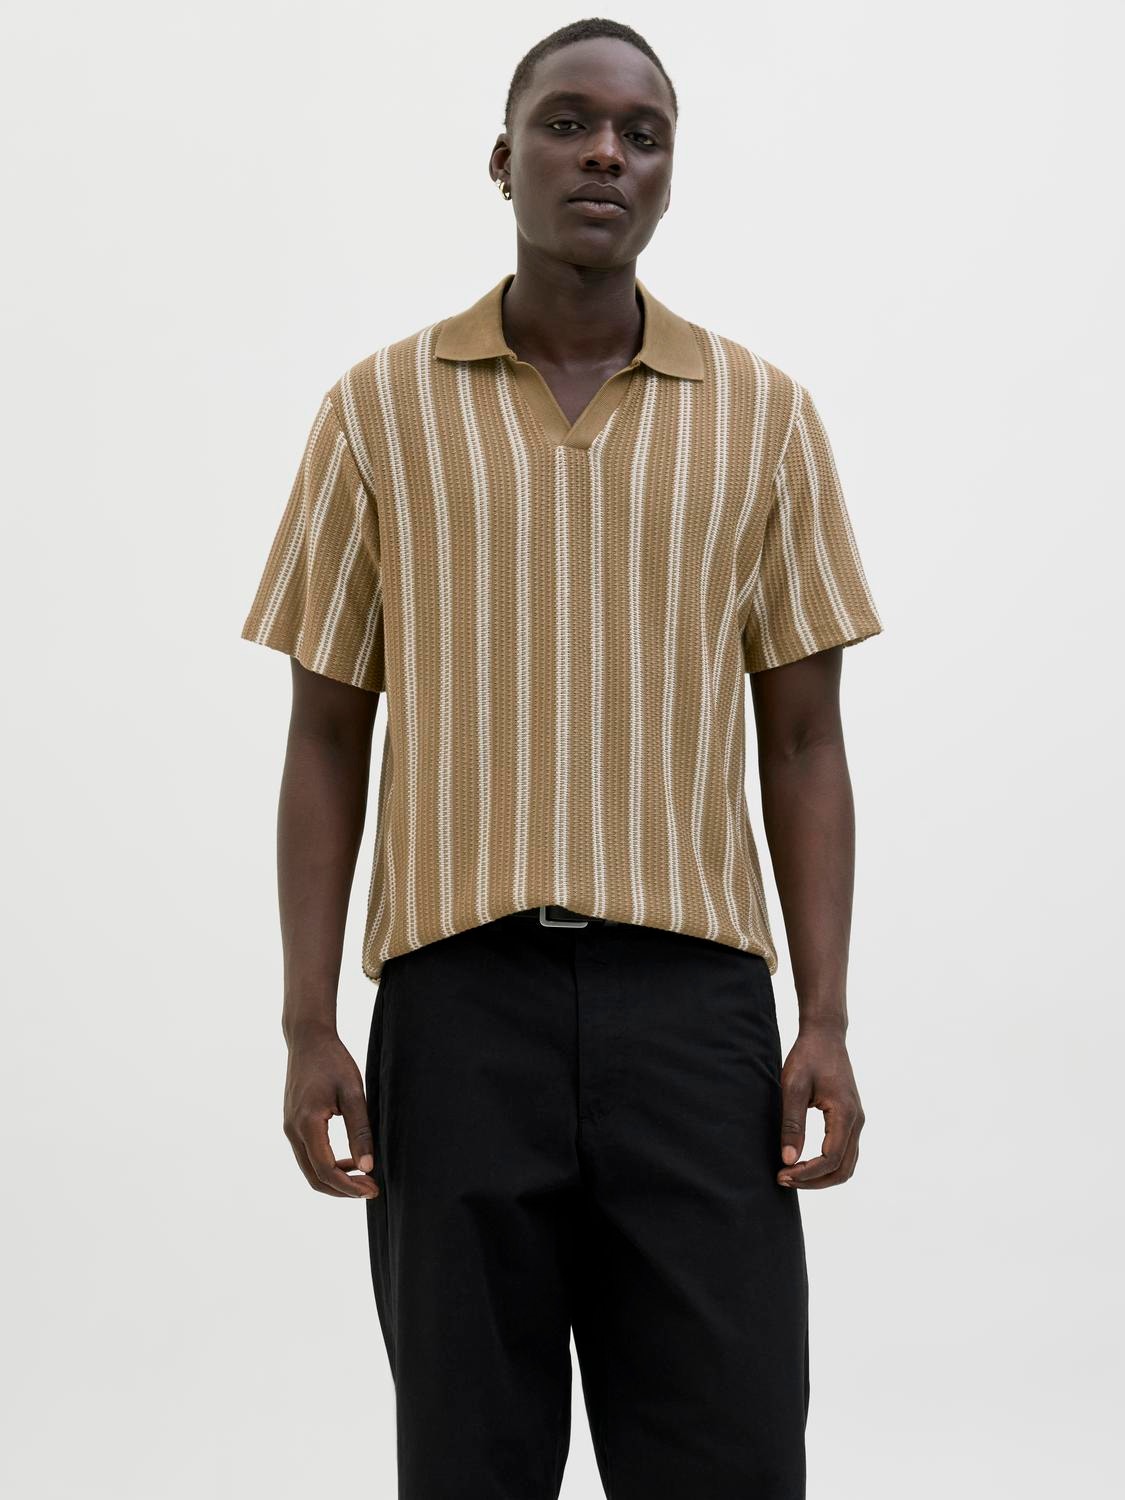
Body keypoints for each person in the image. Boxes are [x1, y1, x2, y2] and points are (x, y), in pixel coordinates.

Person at [239, 17, 883, 1499]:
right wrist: (305, 1023)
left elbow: (804, 739)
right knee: (469, 1459)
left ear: (668, 173)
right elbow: (326, 736)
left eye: (642, 135)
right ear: (502, 157)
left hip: (697, 1015)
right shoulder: (377, 411)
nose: (605, 153)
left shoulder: (764, 418)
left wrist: (825, 1017)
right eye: (568, 122)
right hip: (457, 1012)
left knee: (728, 1456)